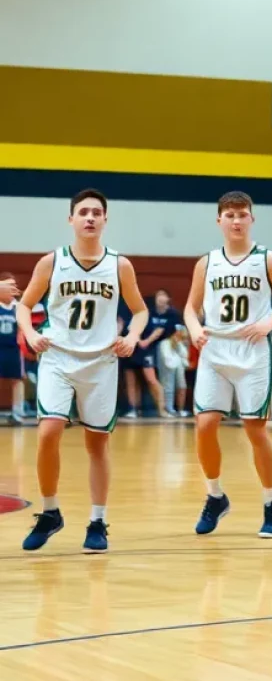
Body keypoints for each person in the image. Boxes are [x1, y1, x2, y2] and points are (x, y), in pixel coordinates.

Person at [17, 190, 149, 553]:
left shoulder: (119, 265)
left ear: (105, 220)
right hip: (58, 357)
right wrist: (30, 334)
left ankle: (97, 520)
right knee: (48, 433)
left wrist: (132, 336)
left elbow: (140, 311)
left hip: (101, 362)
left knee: (97, 443)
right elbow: (25, 305)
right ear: (71, 219)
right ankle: (50, 512)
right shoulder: (51, 262)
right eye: (83, 212)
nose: (90, 217)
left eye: (96, 212)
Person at [184, 191, 272, 539]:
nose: (236, 221)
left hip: (253, 351)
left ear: (252, 219)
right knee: (204, 424)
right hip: (215, 348)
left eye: (242, 215)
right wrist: (193, 329)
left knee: (255, 429)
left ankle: (271, 503)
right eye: (230, 215)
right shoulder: (207, 263)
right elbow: (191, 308)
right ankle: (215, 496)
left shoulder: (268, 260)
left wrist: (268, 323)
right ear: (219, 220)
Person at [0, 272, 23, 424]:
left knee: (17, 380)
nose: (12, 289)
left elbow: (23, 328)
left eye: (14, 286)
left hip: (13, 349)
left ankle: (17, 413)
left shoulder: (19, 306)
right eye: (9, 286)